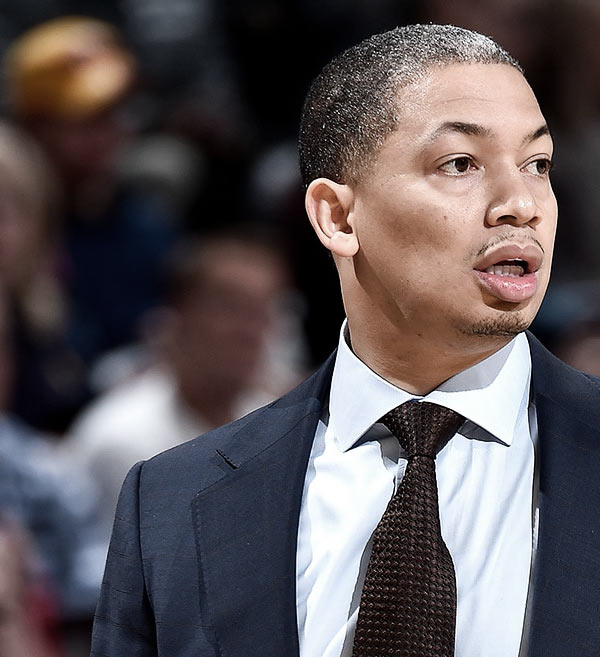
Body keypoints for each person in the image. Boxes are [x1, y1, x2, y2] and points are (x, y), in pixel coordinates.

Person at [90, 24, 600, 657]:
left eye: (537, 164)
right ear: (336, 216)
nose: (521, 203)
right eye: (460, 164)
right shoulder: (169, 502)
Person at [65, 230, 303, 551]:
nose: (251, 332)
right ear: (180, 316)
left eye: (263, 312)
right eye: (232, 309)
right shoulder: (120, 438)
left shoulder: (284, 431)